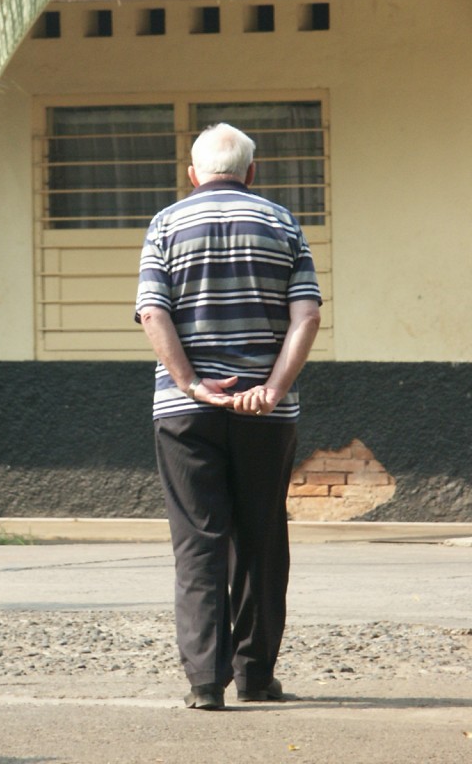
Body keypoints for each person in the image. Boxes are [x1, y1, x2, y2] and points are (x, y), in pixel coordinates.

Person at [135, 122, 322, 710]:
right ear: (251, 172)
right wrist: (270, 388)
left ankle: (204, 685)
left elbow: (151, 312)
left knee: (199, 542)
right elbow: (308, 316)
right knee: (261, 540)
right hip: (266, 415)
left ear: (193, 175)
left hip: (185, 413)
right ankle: (257, 677)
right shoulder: (282, 224)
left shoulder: (166, 224)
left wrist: (191, 383)